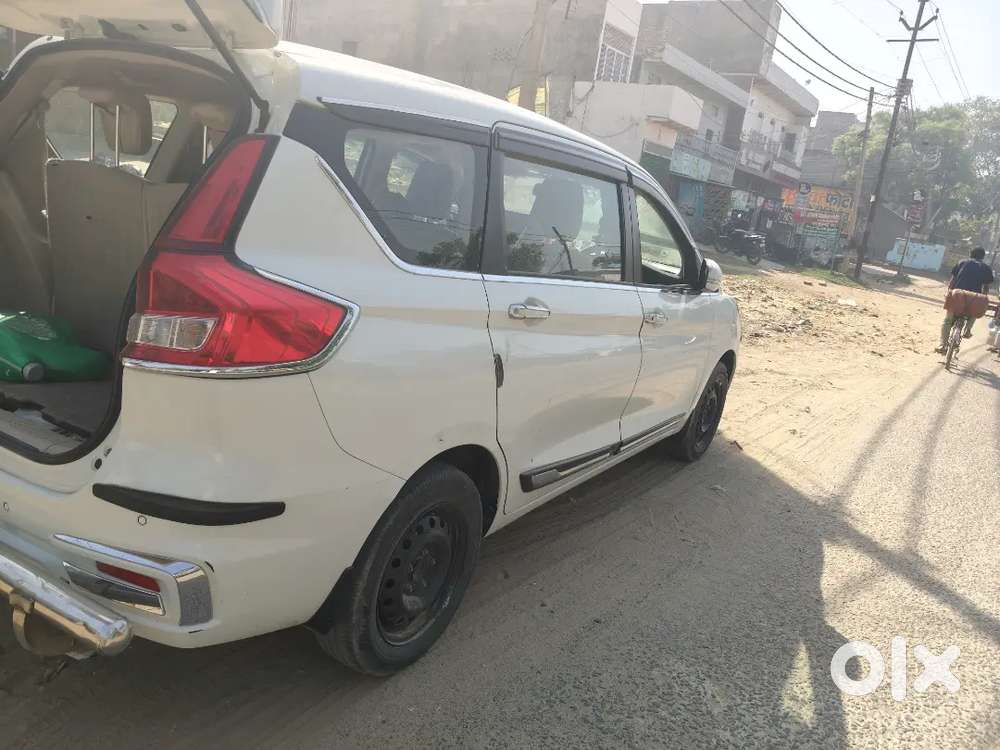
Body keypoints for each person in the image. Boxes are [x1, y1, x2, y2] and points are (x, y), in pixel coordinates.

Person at [935, 247, 995, 353]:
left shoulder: (962, 262)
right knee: (975, 310)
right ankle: (967, 329)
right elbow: (986, 287)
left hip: (958, 294)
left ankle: (942, 345)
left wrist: (949, 292)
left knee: (947, 321)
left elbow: (953, 280)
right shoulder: (986, 268)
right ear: (983, 257)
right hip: (974, 296)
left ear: (970, 254)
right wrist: (983, 298)